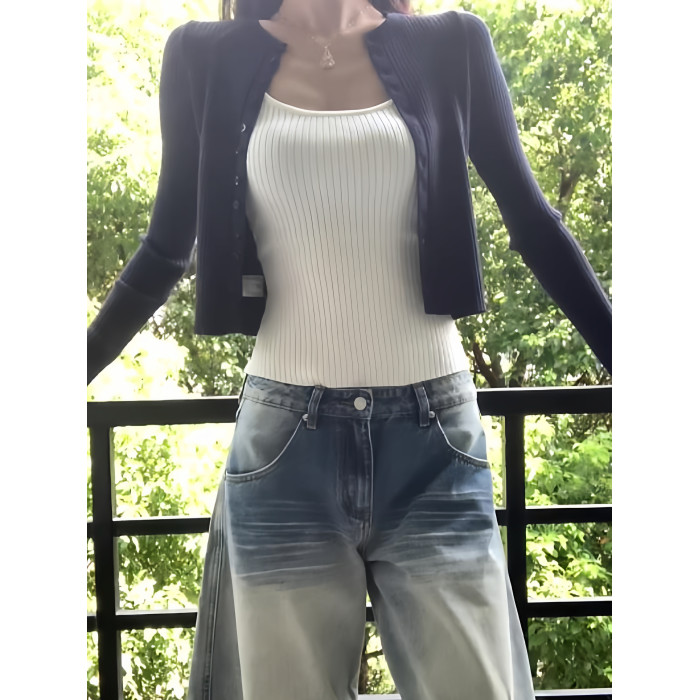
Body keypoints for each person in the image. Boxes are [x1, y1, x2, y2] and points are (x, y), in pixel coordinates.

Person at [88, 1, 612, 698]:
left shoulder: (452, 44)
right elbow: (163, 252)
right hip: (284, 448)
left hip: (435, 445)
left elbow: (534, 222)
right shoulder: (201, 57)